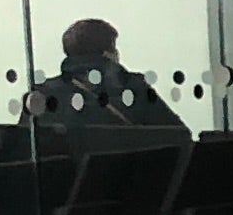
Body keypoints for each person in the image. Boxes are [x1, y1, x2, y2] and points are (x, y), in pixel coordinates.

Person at [27, 17, 184, 132]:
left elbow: (21, 149)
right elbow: (178, 135)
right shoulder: (134, 89)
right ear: (108, 54)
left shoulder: (42, 95)